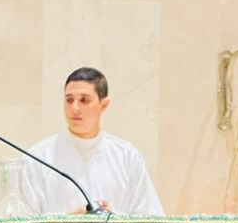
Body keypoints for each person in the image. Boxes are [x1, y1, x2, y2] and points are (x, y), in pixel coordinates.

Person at [21, 67, 164, 215]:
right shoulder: (38, 158)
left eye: (84, 100)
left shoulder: (127, 157)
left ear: (104, 105)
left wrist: (112, 221)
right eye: (69, 100)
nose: (74, 108)